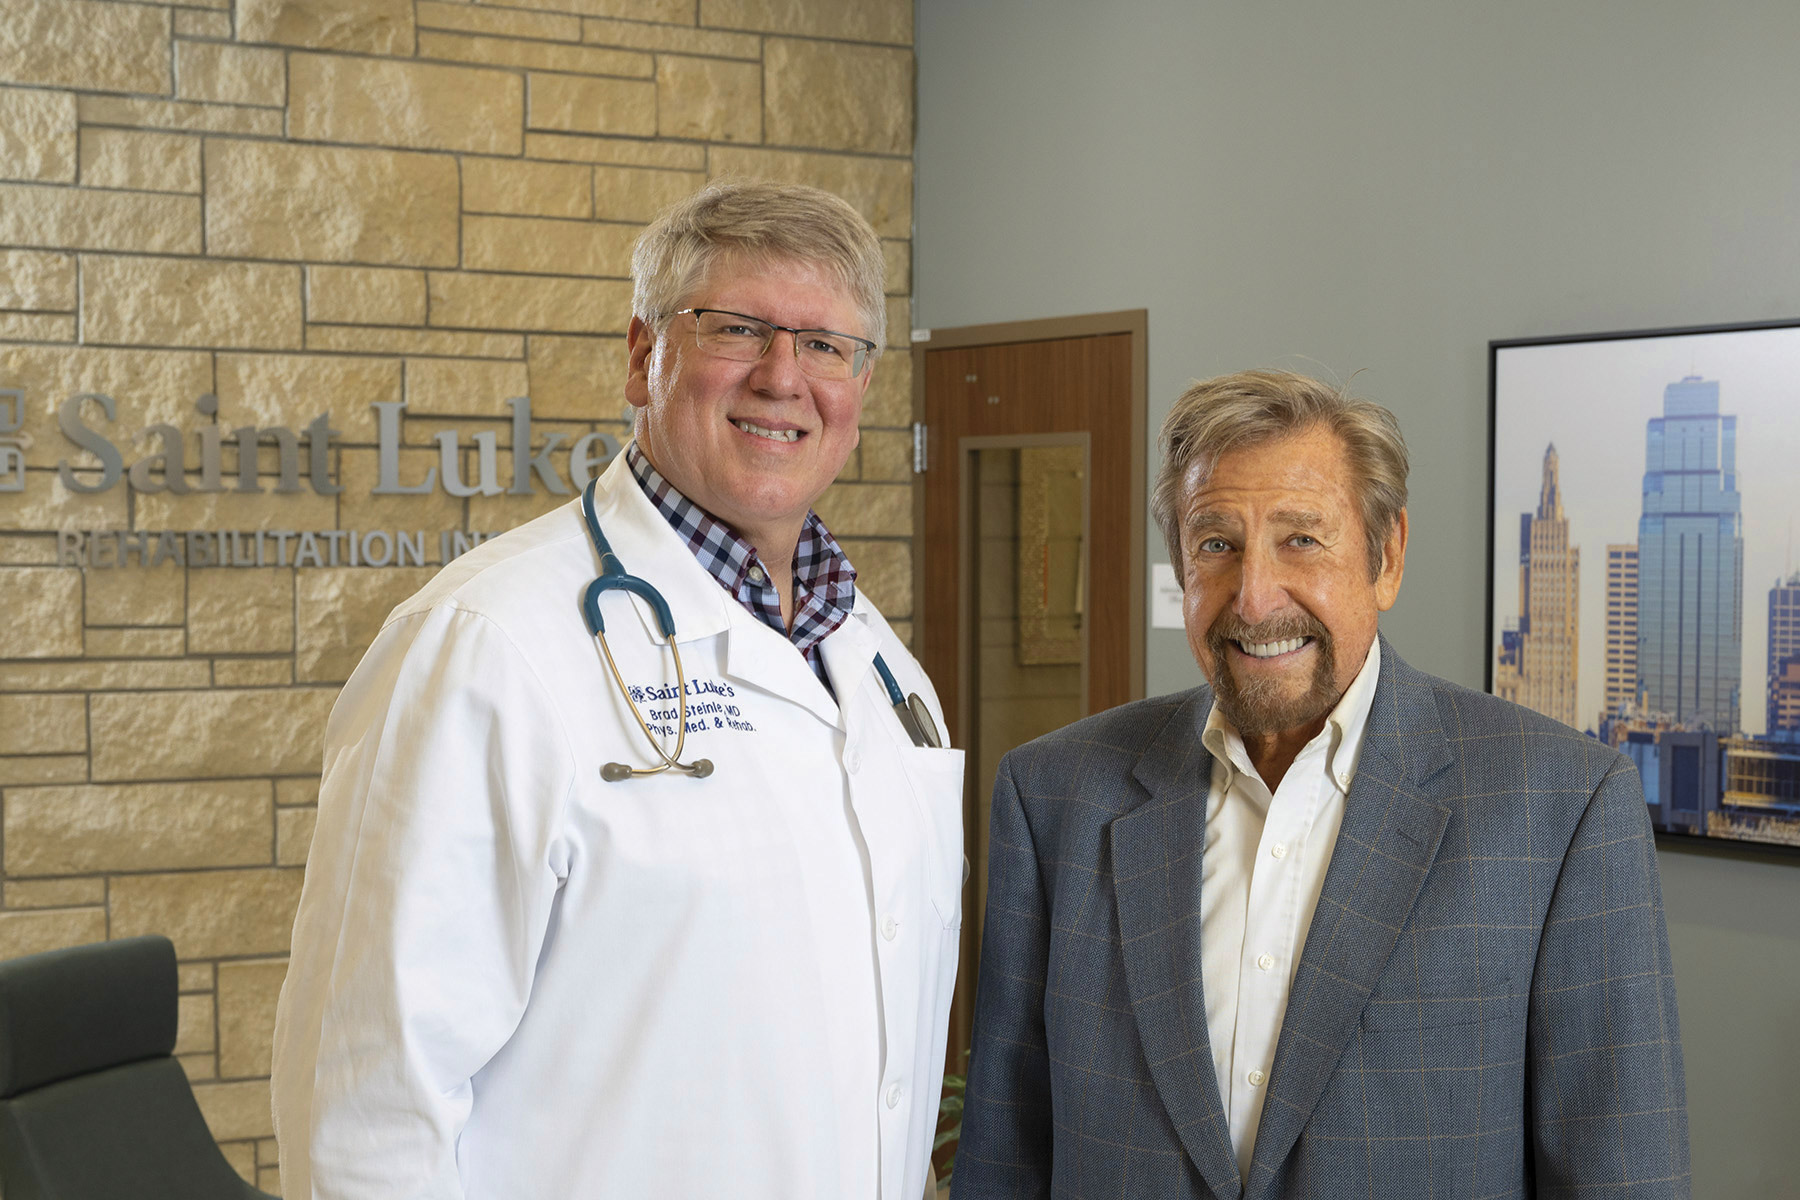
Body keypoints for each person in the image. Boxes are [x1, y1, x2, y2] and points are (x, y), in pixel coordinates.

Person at [272, 181, 965, 1200]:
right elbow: (369, 1103)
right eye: (738, 330)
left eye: (826, 345)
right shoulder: (483, 647)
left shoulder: (879, 665)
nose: (785, 377)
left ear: (861, 385)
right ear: (645, 356)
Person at [952, 370, 1688, 1199]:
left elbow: (1622, 1175)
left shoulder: (1561, 806)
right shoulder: (1053, 796)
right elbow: (1006, 1156)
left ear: (1388, 557)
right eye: (1216, 544)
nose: (1255, 597)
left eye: (1302, 539)